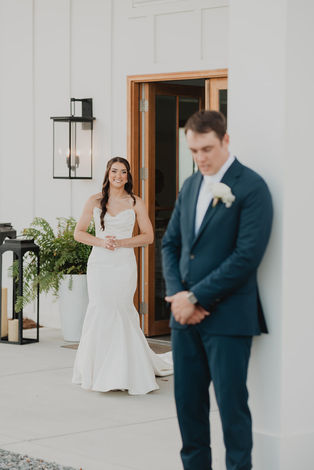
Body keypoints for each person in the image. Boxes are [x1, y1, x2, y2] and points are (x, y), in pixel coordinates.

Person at [162, 110, 273, 470]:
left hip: (228, 320)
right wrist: (179, 296)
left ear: (226, 140)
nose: (201, 158)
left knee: (232, 412)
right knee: (188, 412)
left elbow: (246, 257)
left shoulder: (252, 187)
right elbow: (171, 244)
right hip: (184, 320)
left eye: (207, 149)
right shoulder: (191, 184)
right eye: (193, 150)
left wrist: (196, 297)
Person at [72, 156, 172, 395]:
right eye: (114, 171)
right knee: (100, 309)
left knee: (121, 308)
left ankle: (126, 370)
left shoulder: (136, 202)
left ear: (128, 176)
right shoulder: (94, 201)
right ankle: (97, 370)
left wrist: (123, 242)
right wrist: (101, 242)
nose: (118, 176)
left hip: (124, 264)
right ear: (107, 174)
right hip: (100, 263)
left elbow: (148, 236)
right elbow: (79, 232)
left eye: (123, 172)